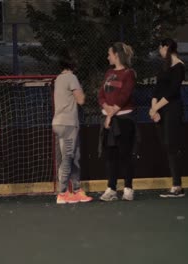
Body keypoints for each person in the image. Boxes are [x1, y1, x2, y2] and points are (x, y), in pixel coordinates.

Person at [98, 42, 137, 201]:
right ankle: (111, 188)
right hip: (109, 119)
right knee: (110, 155)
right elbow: (101, 94)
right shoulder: (108, 73)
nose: (108, 57)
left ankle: (128, 188)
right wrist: (105, 107)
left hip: (124, 120)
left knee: (125, 154)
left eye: (109, 53)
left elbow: (124, 95)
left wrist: (110, 114)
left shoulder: (129, 73)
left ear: (116, 55)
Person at [52, 52, 93, 204]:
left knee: (73, 156)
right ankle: (62, 193)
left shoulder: (58, 79)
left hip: (60, 123)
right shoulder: (71, 78)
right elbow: (81, 100)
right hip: (67, 124)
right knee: (68, 158)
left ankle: (76, 190)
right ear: (73, 66)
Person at [149, 38, 186, 198]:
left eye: (161, 49)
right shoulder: (163, 67)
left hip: (172, 109)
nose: (160, 52)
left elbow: (172, 91)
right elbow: (157, 89)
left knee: (172, 145)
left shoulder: (179, 66)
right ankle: (176, 184)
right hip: (160, 110)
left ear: (166, 47)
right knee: (166, 143)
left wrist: (156, 107)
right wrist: (153, 108)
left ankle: (177, 186)